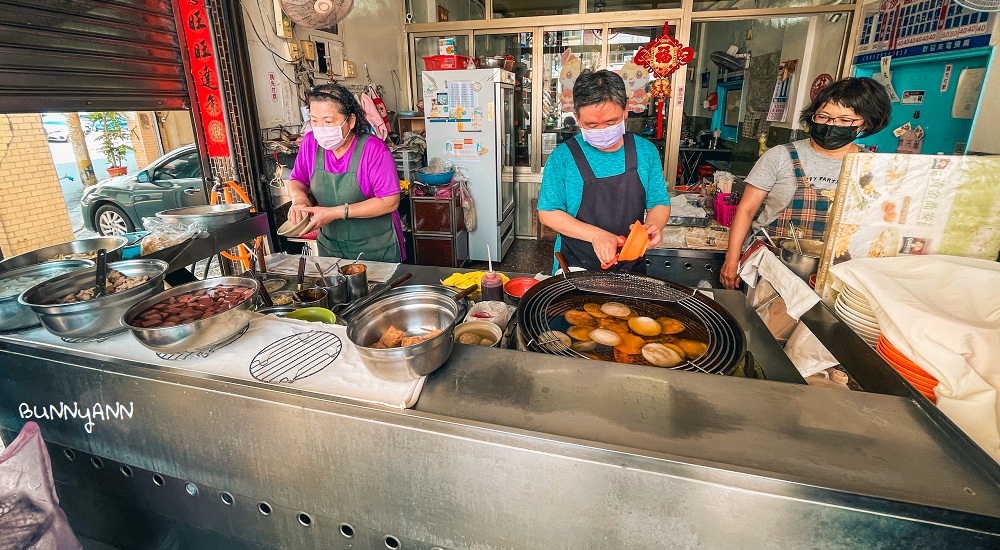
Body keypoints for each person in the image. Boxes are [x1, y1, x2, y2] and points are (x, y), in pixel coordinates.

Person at [719, 77, 891, 289]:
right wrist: (731, 260)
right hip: (772, 266)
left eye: (844, 120)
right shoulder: (780, 156)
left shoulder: (870, 167)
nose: (831, 125)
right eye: (824, 116)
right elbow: (745, 210)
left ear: (866, 123)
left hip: (835, 274)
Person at [537, 69, 671, 273]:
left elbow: (659, 202)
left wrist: (652, 227)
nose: (601, 130)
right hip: (576, 265)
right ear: (577, 118)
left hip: (630, 264)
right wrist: (596, 235)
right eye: (591, 124)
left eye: (611, 122)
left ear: (626, 110)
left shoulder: (645, 152)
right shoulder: (563, 158)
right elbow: (548, 212)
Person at [286, 83, 405, 262]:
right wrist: (299, 199)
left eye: (328, 121)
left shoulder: (373, 150)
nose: (321, 128)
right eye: (314, 121)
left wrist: (335, 212)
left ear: (350, 120)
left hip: (375, 249)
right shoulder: (310, 143)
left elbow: (389, 202)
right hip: (331, 247)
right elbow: (297, 179)